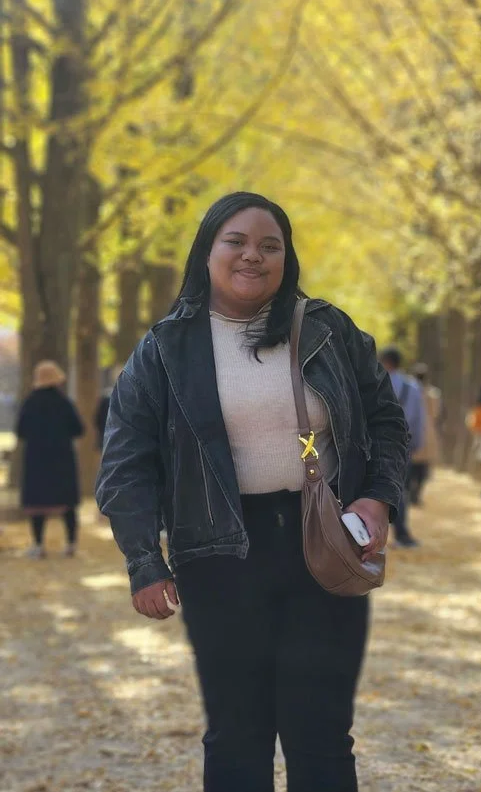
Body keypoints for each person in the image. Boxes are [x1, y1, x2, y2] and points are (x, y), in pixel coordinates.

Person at [96, 191, 408, 792]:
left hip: (324, 543)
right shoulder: (164, 348)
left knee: (321, 733)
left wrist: (378, 496)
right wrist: (144, 562)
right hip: (216, 555)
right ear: (207, 251)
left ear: (286, 257)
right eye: (235, 242)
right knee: (237, 735)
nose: (253, 256)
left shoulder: (327, 329)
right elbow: (126, 464)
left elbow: (387, 421)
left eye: (270, 245)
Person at [16, 361, 84, 558]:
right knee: (67, 502)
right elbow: (79, 429)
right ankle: (71, 544)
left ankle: (38, 545)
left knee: (37, 503)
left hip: (36, 459)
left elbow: (20, 431)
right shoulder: (64, 402)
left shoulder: (30, 402)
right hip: (62, 458)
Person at [379, 347, 424, 547]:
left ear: (385, 362)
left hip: (375, 442)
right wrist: (416, 444)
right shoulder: (411, 387)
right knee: (400, 489)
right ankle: (402, 534)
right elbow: (417, 419)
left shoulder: (373, 381)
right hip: (401, 443)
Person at [409, 361, 443, 505]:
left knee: (411, 464)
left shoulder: (409, 390)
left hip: (411, 429)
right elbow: (436, 413)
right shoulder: (434, 394)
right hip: (428, 430)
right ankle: (417, 493)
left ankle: (411, 492)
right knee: (424, 465)